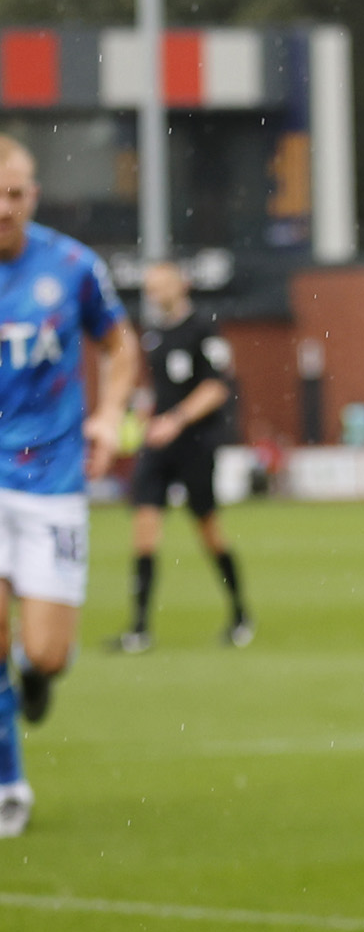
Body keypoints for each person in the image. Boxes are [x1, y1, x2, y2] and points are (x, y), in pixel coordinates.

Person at [0, 137, 138, 837]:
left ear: (33, 195)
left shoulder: (72, 266)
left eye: (15, 193)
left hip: (51, 476)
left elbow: (119, 345)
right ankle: (8, 781)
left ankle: (39, 671)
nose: (3, 206)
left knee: (46, 653)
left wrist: (110, 415)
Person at [116, 259, 252, 650]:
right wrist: (144, 417)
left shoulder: (204, 329)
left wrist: (175, 420)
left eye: (162, 285)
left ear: (183, 285)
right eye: (151, 288)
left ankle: (240, 613)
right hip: (157, 445)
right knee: (144, 531)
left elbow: (216, 389)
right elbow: (156, 389)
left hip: (195, 444)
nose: (156, 293)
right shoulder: (153, 334)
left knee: (208, 530)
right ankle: (139, 628)